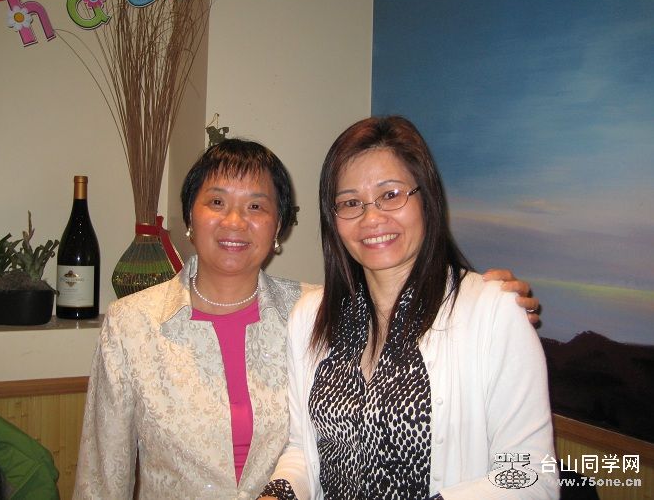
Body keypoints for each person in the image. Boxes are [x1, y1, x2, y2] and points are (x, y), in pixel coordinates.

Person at [73, 138, 541, 499]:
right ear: (188, 217)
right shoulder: (133, 323)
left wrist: (490, 302)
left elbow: (531, 472)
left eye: (256, 206)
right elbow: (102, 475)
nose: (235, 221)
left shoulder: (309, 311)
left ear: (278, 226)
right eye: (216, 202)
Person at [260, 117, 558, 499]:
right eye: (350, 203)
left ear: (426, 199)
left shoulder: (493, 313)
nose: (371, 218)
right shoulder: (310, 316)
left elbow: (531, 476)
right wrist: (278, 494)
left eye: (390, 195)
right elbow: (304, 450)